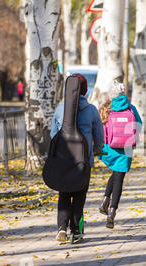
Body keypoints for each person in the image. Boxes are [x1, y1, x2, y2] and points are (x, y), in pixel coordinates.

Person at [50, 73, 104, 243]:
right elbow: (99, 135)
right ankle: (77, 231)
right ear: (85, 89)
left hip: (64, 159)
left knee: (64, 193)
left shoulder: (60, 109)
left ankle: (61, 228)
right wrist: (97, 150)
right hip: (84, 161)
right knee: (80, 196)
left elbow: (53, 135)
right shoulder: (91, 110)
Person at [98, 81, 143, 229]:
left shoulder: (107, 108)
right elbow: (139, 124)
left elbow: (101, 126)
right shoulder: (131, 108)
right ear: (123, 94)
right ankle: (112, 211)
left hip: (109, 147)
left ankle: (105, 199)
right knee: (119, 177)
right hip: (126, 147)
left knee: (116, 173)